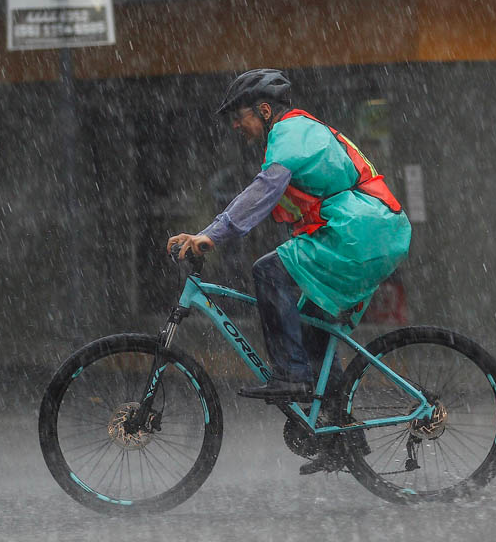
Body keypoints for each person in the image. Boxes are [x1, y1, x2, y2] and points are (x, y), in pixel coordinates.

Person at [166, 69, 412, 473]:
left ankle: (291, 376)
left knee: (269, 271)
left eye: (239, 115)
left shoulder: (291, 132)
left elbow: (265, 190)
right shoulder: (295, 135)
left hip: (361, 231)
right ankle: (341, 437)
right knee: (314, 331)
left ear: (264, 110)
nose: (235, 125)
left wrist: (211, 235)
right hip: (365, 231)